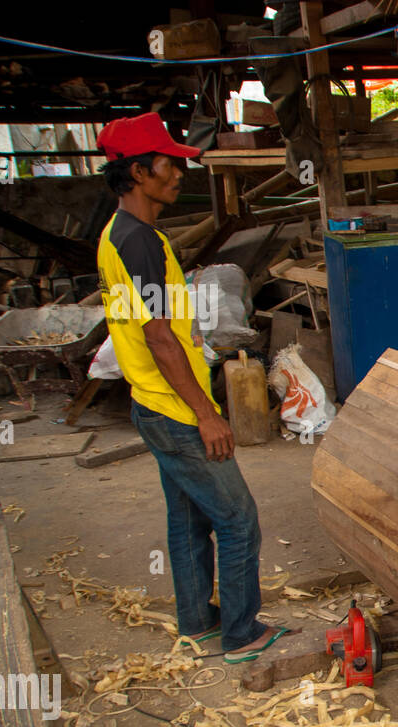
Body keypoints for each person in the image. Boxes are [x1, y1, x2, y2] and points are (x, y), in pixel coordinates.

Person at [95, 112, 289, 663]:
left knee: (188, 519)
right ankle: (241, 634)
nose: (179, 171)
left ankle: (198, 624)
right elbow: (159, 338)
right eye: (168, 163)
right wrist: (207, 413)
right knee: (237, 519)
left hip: (152, 403)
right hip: (174, 409)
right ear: (137, 172)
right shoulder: (139, 244)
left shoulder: (124, 235)